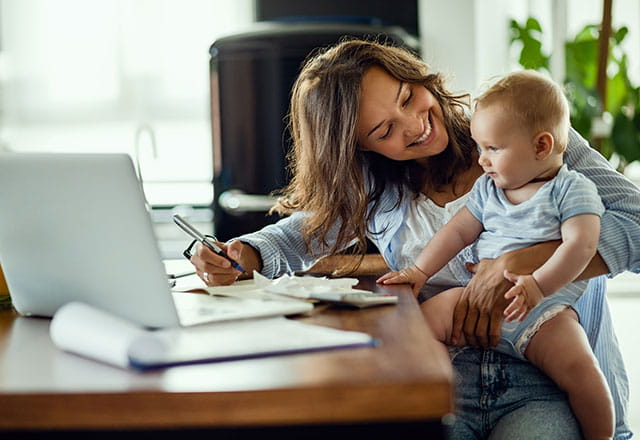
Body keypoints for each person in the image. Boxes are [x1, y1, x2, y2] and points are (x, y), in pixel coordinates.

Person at [189, 39, 639, 439]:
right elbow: (302, 232)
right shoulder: (376, 184)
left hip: (546, 372)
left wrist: (522, 261)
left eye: (408, 97)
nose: (414, 125)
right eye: (384, 131)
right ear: (360, 148)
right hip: (443, 373)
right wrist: (243, 252)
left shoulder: (523, 134)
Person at [377, 70, 613, 439]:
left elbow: (581, 246)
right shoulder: (489, 190)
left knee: (582, 370)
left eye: (494, 149)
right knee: (419, 324)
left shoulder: (571, 189)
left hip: (544, 311)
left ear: (540, 146)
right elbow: (457, 231)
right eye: (480, 147)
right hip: (476, 299)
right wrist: (420, 271)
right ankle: (440, 399)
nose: (482, 160)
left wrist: (537, 284)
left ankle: (603, 434)